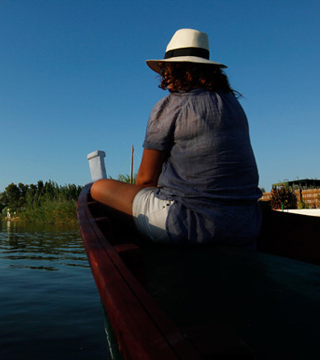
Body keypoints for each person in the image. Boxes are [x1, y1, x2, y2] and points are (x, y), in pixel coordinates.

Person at [91, 28, 262, 246]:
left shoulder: (171, 105)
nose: (164, 75)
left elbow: (145, 180)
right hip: (247, 225)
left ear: (179, 69)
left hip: (188, 225)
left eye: (166, 68)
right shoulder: (233, 105)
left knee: (96, 189)